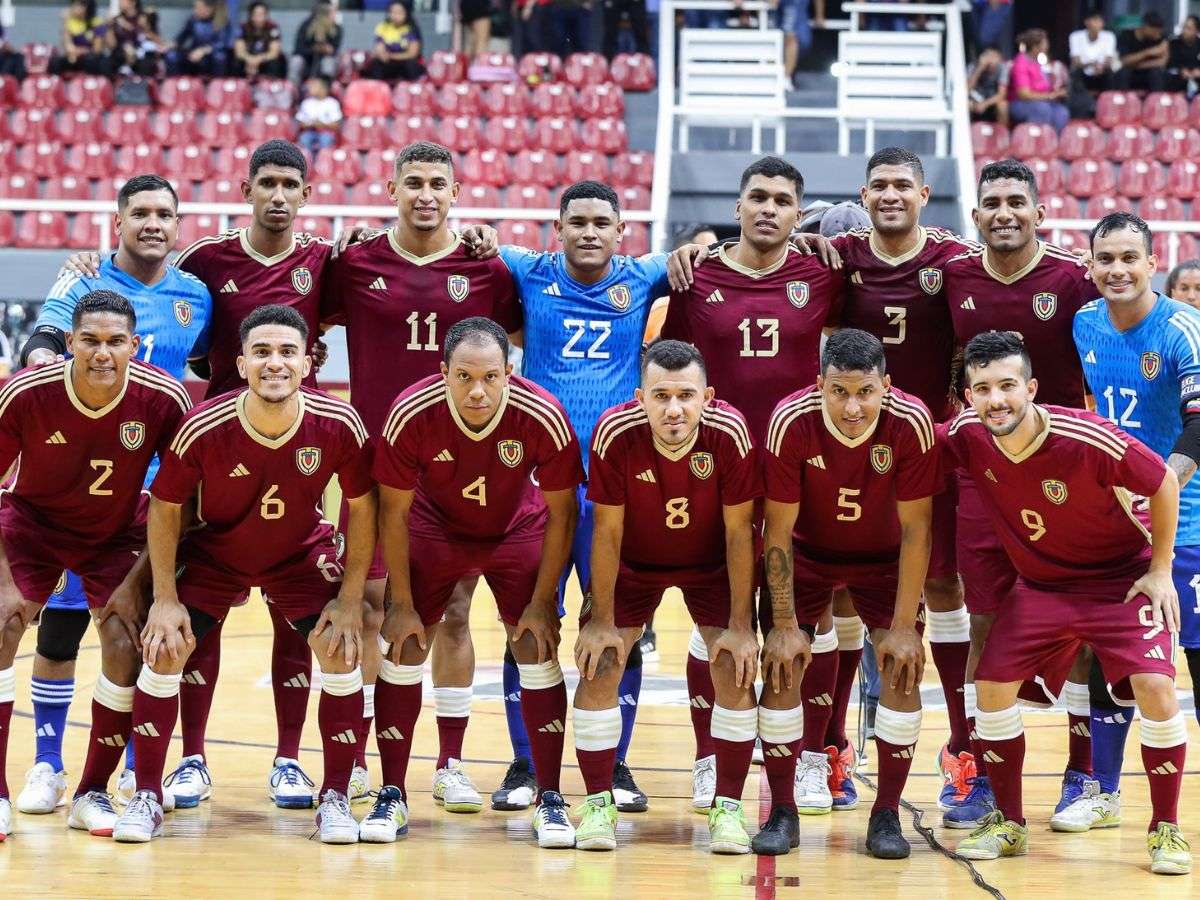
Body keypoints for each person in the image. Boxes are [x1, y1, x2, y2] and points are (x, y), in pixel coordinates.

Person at [64, 141, 340, 809]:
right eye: (266, 183)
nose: (278, 195)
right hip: (212, 446)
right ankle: (191, 758)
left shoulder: (326, 261)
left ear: (306, 194)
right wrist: (88, 270)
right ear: (246, 190)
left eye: (290, 185)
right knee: (199, 607)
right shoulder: (205, 261)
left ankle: (287, 760)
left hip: (294, 440)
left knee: (293, 610)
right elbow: (147, 290)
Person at [116, 303, 375, 844]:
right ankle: (145, 793)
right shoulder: (203, 426)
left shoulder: (339, 423)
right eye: (261, 352)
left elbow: (365, 506)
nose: (274, 363)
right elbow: (165, 509)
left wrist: (350, 599)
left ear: (309, 364)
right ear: (240, 362)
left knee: (341, 646)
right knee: (165, 645)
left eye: (287, 353)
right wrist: (164, 597)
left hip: (298, 553)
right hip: (217, 552)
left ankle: (333, 796)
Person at [321, 140, 521, 813]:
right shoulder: (353, 261)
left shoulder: (483, 265)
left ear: (458, 191)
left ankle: (450, 761)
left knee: (456, 612)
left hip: (458, 468)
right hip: (376, 468)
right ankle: (361, 761)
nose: (426, 193)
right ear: (390, 187)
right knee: (374, 607)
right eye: (414, 182)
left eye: (439, 182)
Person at [944, 330, 1191, 876]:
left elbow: (1163, 484)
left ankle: (1166, 829)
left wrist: (1159, 570)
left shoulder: (1087, 436)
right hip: (1043, 587)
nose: (996, 400)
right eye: (981, 389)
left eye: (1007, 385)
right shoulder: (967, 434)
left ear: (1031, 388)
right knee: (990, 685)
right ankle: (1009, 824)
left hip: (1120, 581)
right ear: (967, 396)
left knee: (1155, 687)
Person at [16, 175, 213, 815]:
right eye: (140, 214)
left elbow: (214, 370)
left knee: (132, 635)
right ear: (118, 220)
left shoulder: (196, 296)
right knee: (61, 631)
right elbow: (39, 349)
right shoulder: (84, 279)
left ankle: (127, 768)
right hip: (72, 483)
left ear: (177, 224)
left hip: (147, 497)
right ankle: (47, 764)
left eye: (164, 214)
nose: (152, 224)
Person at [661, 157, 846, 816]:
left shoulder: (823, 273)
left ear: (800, 214)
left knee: (805, 621)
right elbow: (672, 375)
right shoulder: (695, 275)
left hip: (803, 472)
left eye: (783, 200)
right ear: (737, 206)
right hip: (718, 472)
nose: (769, 208)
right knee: (718, 622)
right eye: (758, 197)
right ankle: (712, 758)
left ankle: (806, 761)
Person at [493, 180, 677, 815]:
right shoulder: (527, 270)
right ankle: (524, 762)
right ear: (558, 227)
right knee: (528, 622)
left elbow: (705, 257)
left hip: (612, 491)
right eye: (579, 221)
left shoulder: (646, 276)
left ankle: (615, 763)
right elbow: (472, 249)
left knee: (617, 623)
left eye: (604, 221)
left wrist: (706, 245)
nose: (591, 232)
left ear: (622, 230)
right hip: (538, 490)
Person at [369, 317, 583, 848]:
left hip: (517, 529)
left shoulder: (545, 415)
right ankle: (392, 793)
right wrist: (399, 600)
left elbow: (563, 515)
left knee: (535, 645)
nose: (478, 391)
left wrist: (542, 601)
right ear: (443, 373)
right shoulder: (409, 414)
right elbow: (391, 513)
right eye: (464, 377)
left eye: (490, 377)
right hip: (434, 527)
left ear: (510, 373)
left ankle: (551, 797)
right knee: (404, 643)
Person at [0, 290, 192, 842]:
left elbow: (179, 499)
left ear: (135, 346)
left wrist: (143, 587)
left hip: (116, 531)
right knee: (1, 623)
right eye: (89, 341)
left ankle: (91, 791)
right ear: (69, 344)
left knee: (128, 639)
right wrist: (6, 583)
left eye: (114, 342)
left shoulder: (164, 398)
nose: (102, 353)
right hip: (32, 523)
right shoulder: (25, 393)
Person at [941, 158, 1097, 831]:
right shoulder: (953, 275)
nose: (1003, 212)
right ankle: (977, 773)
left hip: (1066, 475)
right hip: (981, 473)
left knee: (1082, 621)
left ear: (1039, 211)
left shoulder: (1074, 278)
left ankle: (1084, 772)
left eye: (1016, 201)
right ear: (975, 216)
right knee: (983, 621)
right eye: (991, 202)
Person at [823, 147, 976, 814]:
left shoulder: (952, 259)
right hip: (853, 446)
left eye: (902, 186)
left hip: (931, 446)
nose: (890, 195)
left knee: (943, 585)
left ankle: (963, 747)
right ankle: (833, 749)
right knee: (845, 593)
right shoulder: (838, 254)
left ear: (923, 194)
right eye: (879, 185)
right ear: (864, 193)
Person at [574, 339, 759, 853]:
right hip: (634, 562)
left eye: (685, 395)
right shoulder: (614, 433)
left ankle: (728, 809)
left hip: (711, 566)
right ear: (639, 398)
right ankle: (596, 807)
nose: (673, 409)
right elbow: (605, 532)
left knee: (734, 665)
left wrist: (742, 626)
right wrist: (602, 619)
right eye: (660, 396)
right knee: (601, 661)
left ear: (708, 397)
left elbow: (740, 531)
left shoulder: (731, 433)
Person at [761, 328, 938, 858]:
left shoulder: (912, 423)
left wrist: (905, 628)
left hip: (884, 560)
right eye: (839, 391)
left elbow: (917, 532)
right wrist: (787, 625)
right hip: (808, 554)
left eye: (865, 392)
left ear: (887, 385)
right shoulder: (790, 421)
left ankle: (886, 814)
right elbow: (777, 531)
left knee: (903, 666)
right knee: (782, 665)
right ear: (819, 385)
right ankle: (783, 810)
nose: (853, 407)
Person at [1073, 212, 1200, 830]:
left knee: (1196, 655)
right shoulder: (1084, 323)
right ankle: (1103, 791)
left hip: (1189, 524)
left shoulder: (1183, 331)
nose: (1118, 270)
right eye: (1107, 259)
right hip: (1115, 527)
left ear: (1153, 263)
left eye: (1131, 258)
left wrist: (1161, 489)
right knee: (1111, 656)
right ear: (1090, 265)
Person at [1007, 28, 1069, 132]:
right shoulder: (1021, 63)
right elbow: (1024, 94)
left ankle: (1052, 143)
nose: (1047, 46)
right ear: (1035, 47)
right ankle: (1036, 142)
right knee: (1042, 109)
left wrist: (1057, 92)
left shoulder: (1037, 61)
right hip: (1020, 103)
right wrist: (1051, 96)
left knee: (1061, 112)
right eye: (1045, 43)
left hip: (1043, 101)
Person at [167, 0, 230, 76]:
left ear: (209, 9)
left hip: (210, 55)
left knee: (220, 57)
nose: (195, 10)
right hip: (194, 53)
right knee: (172, 55)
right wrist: (169, 45)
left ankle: (216, 84)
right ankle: (174, 83)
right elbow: (181, 38)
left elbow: (221, 44)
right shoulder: (193, 20)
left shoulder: (222, 22)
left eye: (198, 8)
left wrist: (203, 51)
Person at [366, 1, 424, 81]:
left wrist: (392, 56)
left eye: (399, 13)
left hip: (405, 62)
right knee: (376, 63)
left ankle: (413, 88)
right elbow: (379, 47)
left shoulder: (411, 29)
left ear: (407, 13)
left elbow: (412, 54)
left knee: (411, 64)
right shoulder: (383, 27)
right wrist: (381, 54)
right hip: (388, 62)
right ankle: (377, 87)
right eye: (392, 12)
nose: (395, 16)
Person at [49, 0, 110, 76]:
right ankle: (55, 84)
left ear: (86, 8)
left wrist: (79, 51)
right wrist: (64, 23)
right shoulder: (70, 22)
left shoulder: (96, 22)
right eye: (73, 5)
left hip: (91, 57)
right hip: (74, 57)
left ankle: (91, 85)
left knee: (91, 60)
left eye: (77, 5)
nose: (73, 8)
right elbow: (67, 47)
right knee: (55, 61)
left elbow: (97, 50)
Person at [105, 0, 166, 76]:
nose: (120, 2)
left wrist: (128, 26)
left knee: (146, 61)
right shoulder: (115, 20)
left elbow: (158, 41)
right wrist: (109, 26)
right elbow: (112, 45)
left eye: (123, 0)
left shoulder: (143, 18)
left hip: (141, 52)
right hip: (120, 54)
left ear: (133, 2)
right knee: (107, 61)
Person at [1116, 11, 1169, 93]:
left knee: (1157, 73)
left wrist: (1136, 65)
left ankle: (1156, 102)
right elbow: (1124, 61)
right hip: (1131, 74)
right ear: (1146, 27)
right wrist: (1148, 52)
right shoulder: (1126, 36)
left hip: (1149, 74)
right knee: (1123, 73)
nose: (1157, 35)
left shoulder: (1161, 38)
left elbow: (1162, 62)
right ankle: (1123, 102)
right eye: (1155, 31)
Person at [777, 0, 825, 90]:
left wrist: (819, 15)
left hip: (800, 19)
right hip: (778, 18)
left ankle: (787, 75)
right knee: (790, 39)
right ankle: (784, 77)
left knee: (801, 43)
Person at [232, 1, 286, 78]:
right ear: (251, 15)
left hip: (264, 59)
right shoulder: (243, 27)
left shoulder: (273, 27)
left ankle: (272, 86)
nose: (260, 17)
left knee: (276, 62)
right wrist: (250, 59)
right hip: (247, 59)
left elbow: (274, 52)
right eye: (257, 14)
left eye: (262, 14)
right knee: (236, 61)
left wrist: (258, 59)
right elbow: (239, 52)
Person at [1069, 8, 1117, 93]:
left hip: (1101, 71)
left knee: (1110, 73)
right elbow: (1076, 62)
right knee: (1076, 72)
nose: (1098, 24)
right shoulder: (1075, 36)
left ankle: (1107, 99)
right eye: (1095, 20)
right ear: (1086, 22)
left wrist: (1101, 67)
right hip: (1083, 70)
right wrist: (1091, 64)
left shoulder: (1109, 36)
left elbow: (1108, 59)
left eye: (1100, 21)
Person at [292, 0, 342, 81]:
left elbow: (334, 49)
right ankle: (294, 88)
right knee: (296, 61)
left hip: (325, 60)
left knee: (328, 62)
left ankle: (326, 88)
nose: (333, 15)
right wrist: (314, 48)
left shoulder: (336, 28)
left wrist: (325, 47)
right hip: (307, 59)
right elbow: (298, 49)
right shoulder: (306, 26)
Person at [295, 76, 342, 161]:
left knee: (325, 140)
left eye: (315, 86)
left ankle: (322, 166)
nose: (311, 88)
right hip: (310, 131)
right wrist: (311, 124)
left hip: (326, 132)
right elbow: (300, 124)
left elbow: (336, 125)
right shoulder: (306, 103)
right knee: (304, 139)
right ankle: (307, 165)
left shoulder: (332, 103)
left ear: (324, 89)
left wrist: (321, 124)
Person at [968, 46, 1008, 125]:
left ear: (999, 58)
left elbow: (1001, 94)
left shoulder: (1002, 68)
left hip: (991, 102)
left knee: (1003, 106)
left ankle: (1002, 134)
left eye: (994, 56)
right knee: (965, 105)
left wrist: (985, 104)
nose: (990, 60)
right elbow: (967, 90)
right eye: (988, 56)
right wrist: (980, 68)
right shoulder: (973, 66)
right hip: (974, 100)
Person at [1168, 15, 1200, 97]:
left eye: (1188, 28)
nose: (1184, 31)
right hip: (1180, 76)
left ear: (1197, 31)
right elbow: (1171, 63)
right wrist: (1181, 70)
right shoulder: (1174, 43)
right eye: (1184, 27)